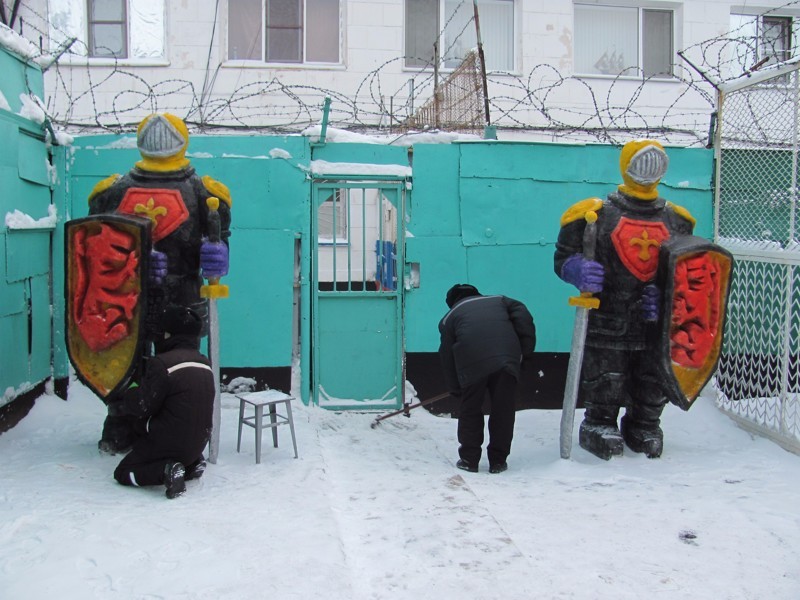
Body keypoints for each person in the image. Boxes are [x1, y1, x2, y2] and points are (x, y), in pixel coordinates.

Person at [89, 112, 231, 454]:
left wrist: (216, 255)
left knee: (180, 364)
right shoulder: (112, 193)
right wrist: (131, 262)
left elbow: (219, 239)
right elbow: (97, 248)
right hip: (129, 296)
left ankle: (177, 421)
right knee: (129, 363)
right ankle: (124, 421)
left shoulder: (205, 192)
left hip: (183, 292)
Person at [554, 139, 695, 460]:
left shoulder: (678, 221)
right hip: (607, 314)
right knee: (608, 376)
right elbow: (563, 256)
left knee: (652, 378)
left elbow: (688, 269)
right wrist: (577, 269)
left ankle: (644, 424)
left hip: (655, 319)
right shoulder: (593, 215)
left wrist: (669, 296)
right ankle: (599, 423)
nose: (648, 168)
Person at [110, 305, 215, 499]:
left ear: (168, 334)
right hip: (199, 441)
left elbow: (145, 405)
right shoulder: (204, 362)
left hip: (169, 440)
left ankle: (166, 470)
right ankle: (190, 465)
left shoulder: (163, 363)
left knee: (124, 472)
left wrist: (128, 395)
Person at [438, 284, 536, 474]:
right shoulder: (501, 300)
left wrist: (455, 387)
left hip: (471, 362)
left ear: (452, 302)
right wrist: (525, 352)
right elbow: (523, 316)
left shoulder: (449, 317)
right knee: (503, 410)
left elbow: (446, 355)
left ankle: (469, 459)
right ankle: (498, 461)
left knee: (471, 409)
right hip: (506, 359)